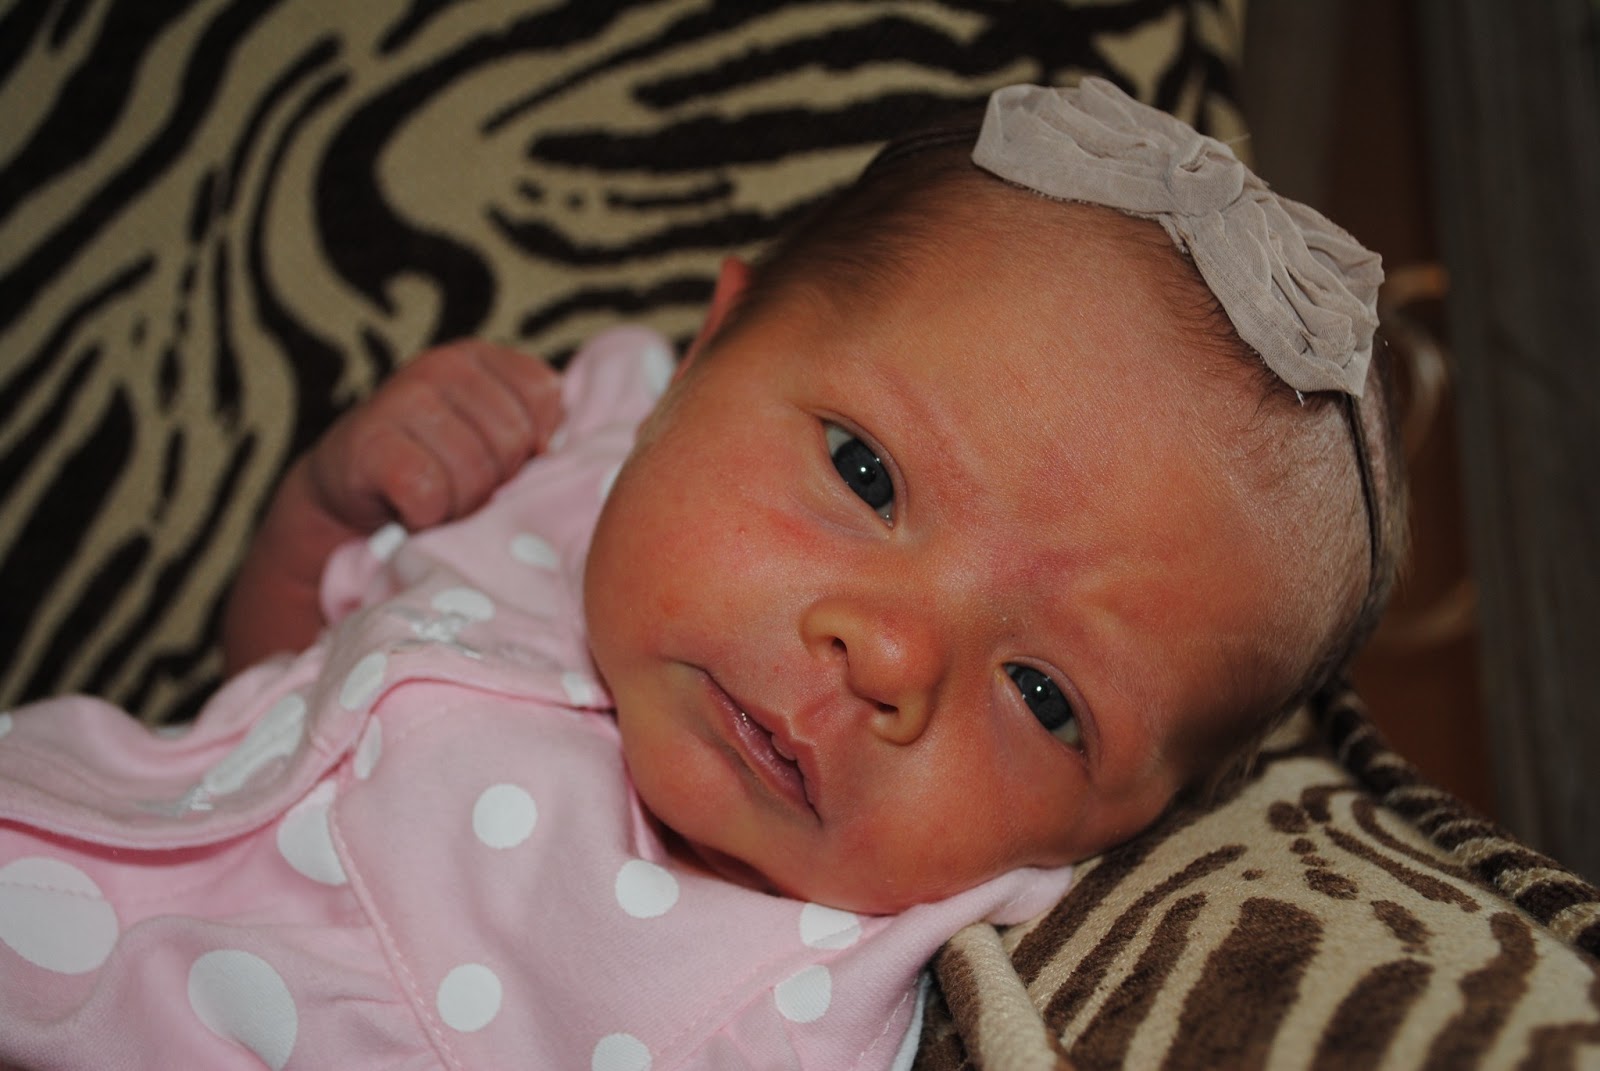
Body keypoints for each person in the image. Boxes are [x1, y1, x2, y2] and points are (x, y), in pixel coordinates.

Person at [0, 78, 1403, 1069]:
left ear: (1123, 829)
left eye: (1044, 696)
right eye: (866, 475)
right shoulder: (567, 462)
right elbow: (264, 699)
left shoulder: (797, 998)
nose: (892, 654)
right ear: (711, 353)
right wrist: (322, 517)